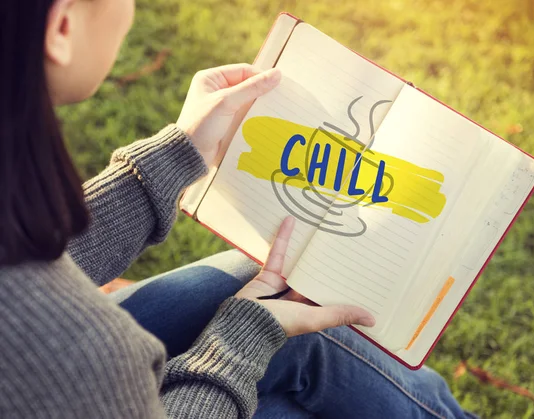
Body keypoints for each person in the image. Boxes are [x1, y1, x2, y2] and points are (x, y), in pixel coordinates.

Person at [0, 0, 475, 417]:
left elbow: (23, 257)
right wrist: (239, 342)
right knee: (294, 352)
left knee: (258, 287)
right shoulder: (79, 350)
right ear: (62, 27)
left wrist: (172, 158)